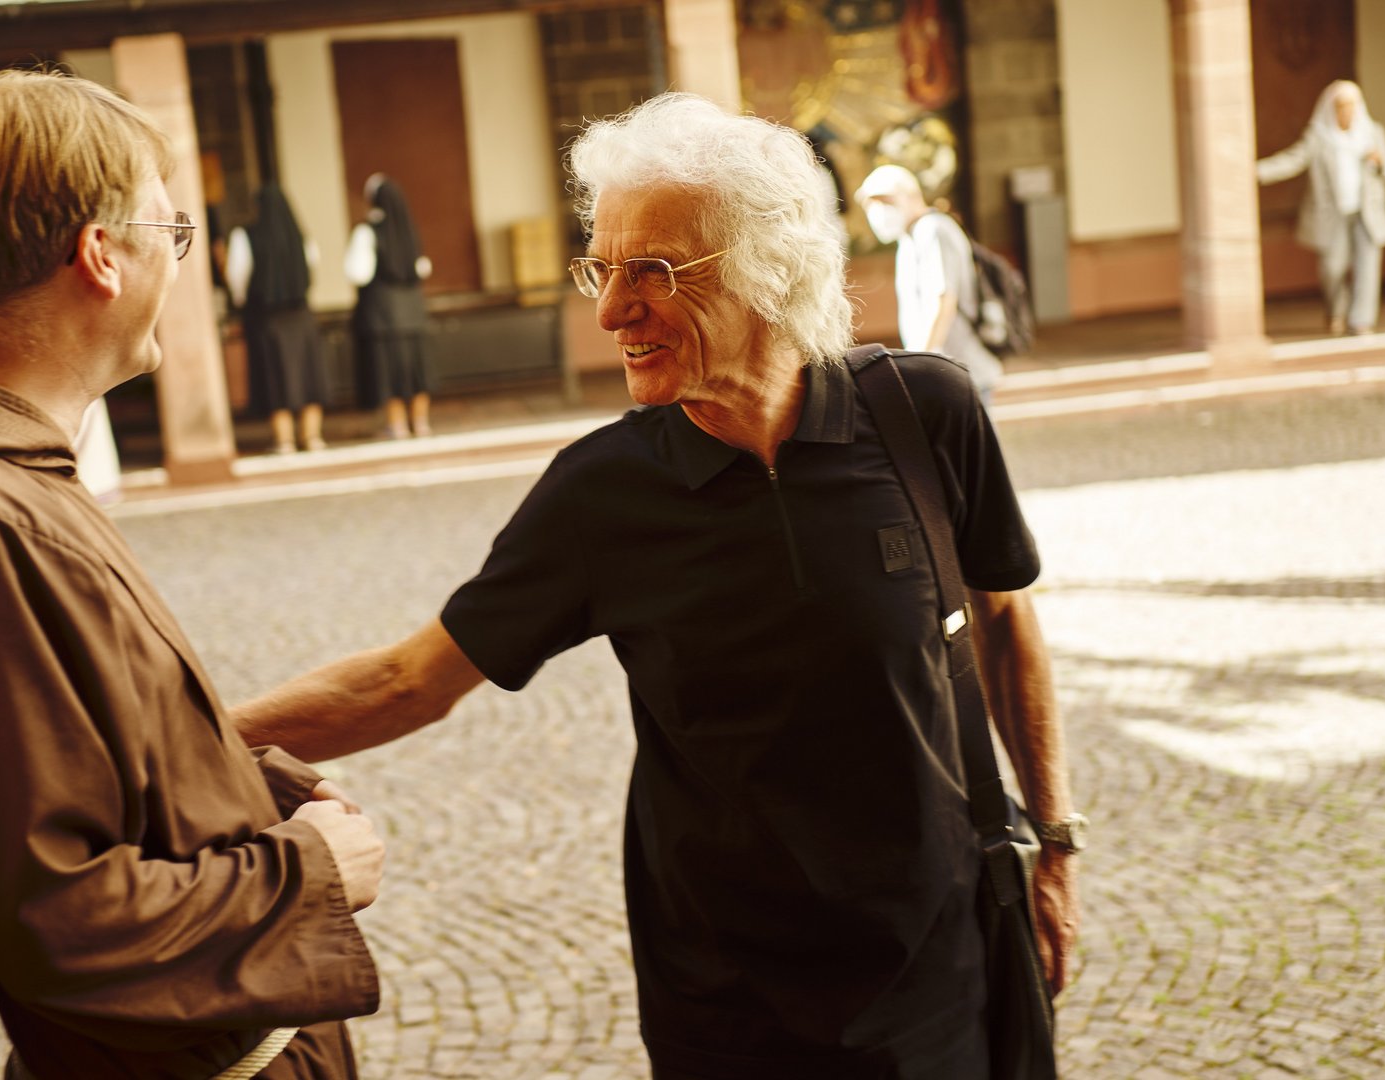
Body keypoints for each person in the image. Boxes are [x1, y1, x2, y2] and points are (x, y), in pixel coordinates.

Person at [236, 93, 1083, 1078]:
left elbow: (1005, 620)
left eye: (654, 272)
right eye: (603, 267)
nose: (609, 310)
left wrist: (1054, 847)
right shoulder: (604, 492)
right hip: (728, 1006)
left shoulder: (924, 414)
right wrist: (180, 738)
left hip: (943, 967)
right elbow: (407, 680)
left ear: (767, 268)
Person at [0, 69, 383, 1079]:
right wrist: (310, 872)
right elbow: (63, 918)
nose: (180, 262)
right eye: (169, 235)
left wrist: (252, 793)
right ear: (100, 257)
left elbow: (93, 760)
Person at [855, 163, 1006, 409]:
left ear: (912, 197)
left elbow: (943, 299)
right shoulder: (909, 237)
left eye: (886, 201)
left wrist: (920, 361)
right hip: (944, 371)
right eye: (871, 205)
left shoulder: (933, 230)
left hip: (960, 369)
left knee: (971, 447)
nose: (879, 211)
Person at [1257, 79, 1385, 336]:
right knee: (1332, 268)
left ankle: (1361, 320)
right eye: (1342, 106)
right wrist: (1257, 171)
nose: (1347, 112)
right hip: (1332, 213)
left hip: (1367, 213)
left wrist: (1379, 163)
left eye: (1352, 106)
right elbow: (1293, 160)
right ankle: (1336, 309)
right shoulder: (1320, 136)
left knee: (1367, 265)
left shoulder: (1372, 133)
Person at [227, 183, 334, 452]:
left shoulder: (245, 236)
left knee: (275, 377)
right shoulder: (300, 236)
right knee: (309, 376)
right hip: (302, 316)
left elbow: (237, 277)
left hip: (267, 319)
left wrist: (243, 302)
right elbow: (312, 269)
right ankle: (312, 437)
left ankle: (284, 440)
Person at [346, 174, 433, 438]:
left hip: (381, 316)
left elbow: (358, 272)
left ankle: (396, 425)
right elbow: (423, 268)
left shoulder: (367, 232)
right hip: (414, 314)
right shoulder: (408, 230)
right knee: (415, 372)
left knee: (389, 374)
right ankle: (420, 422)